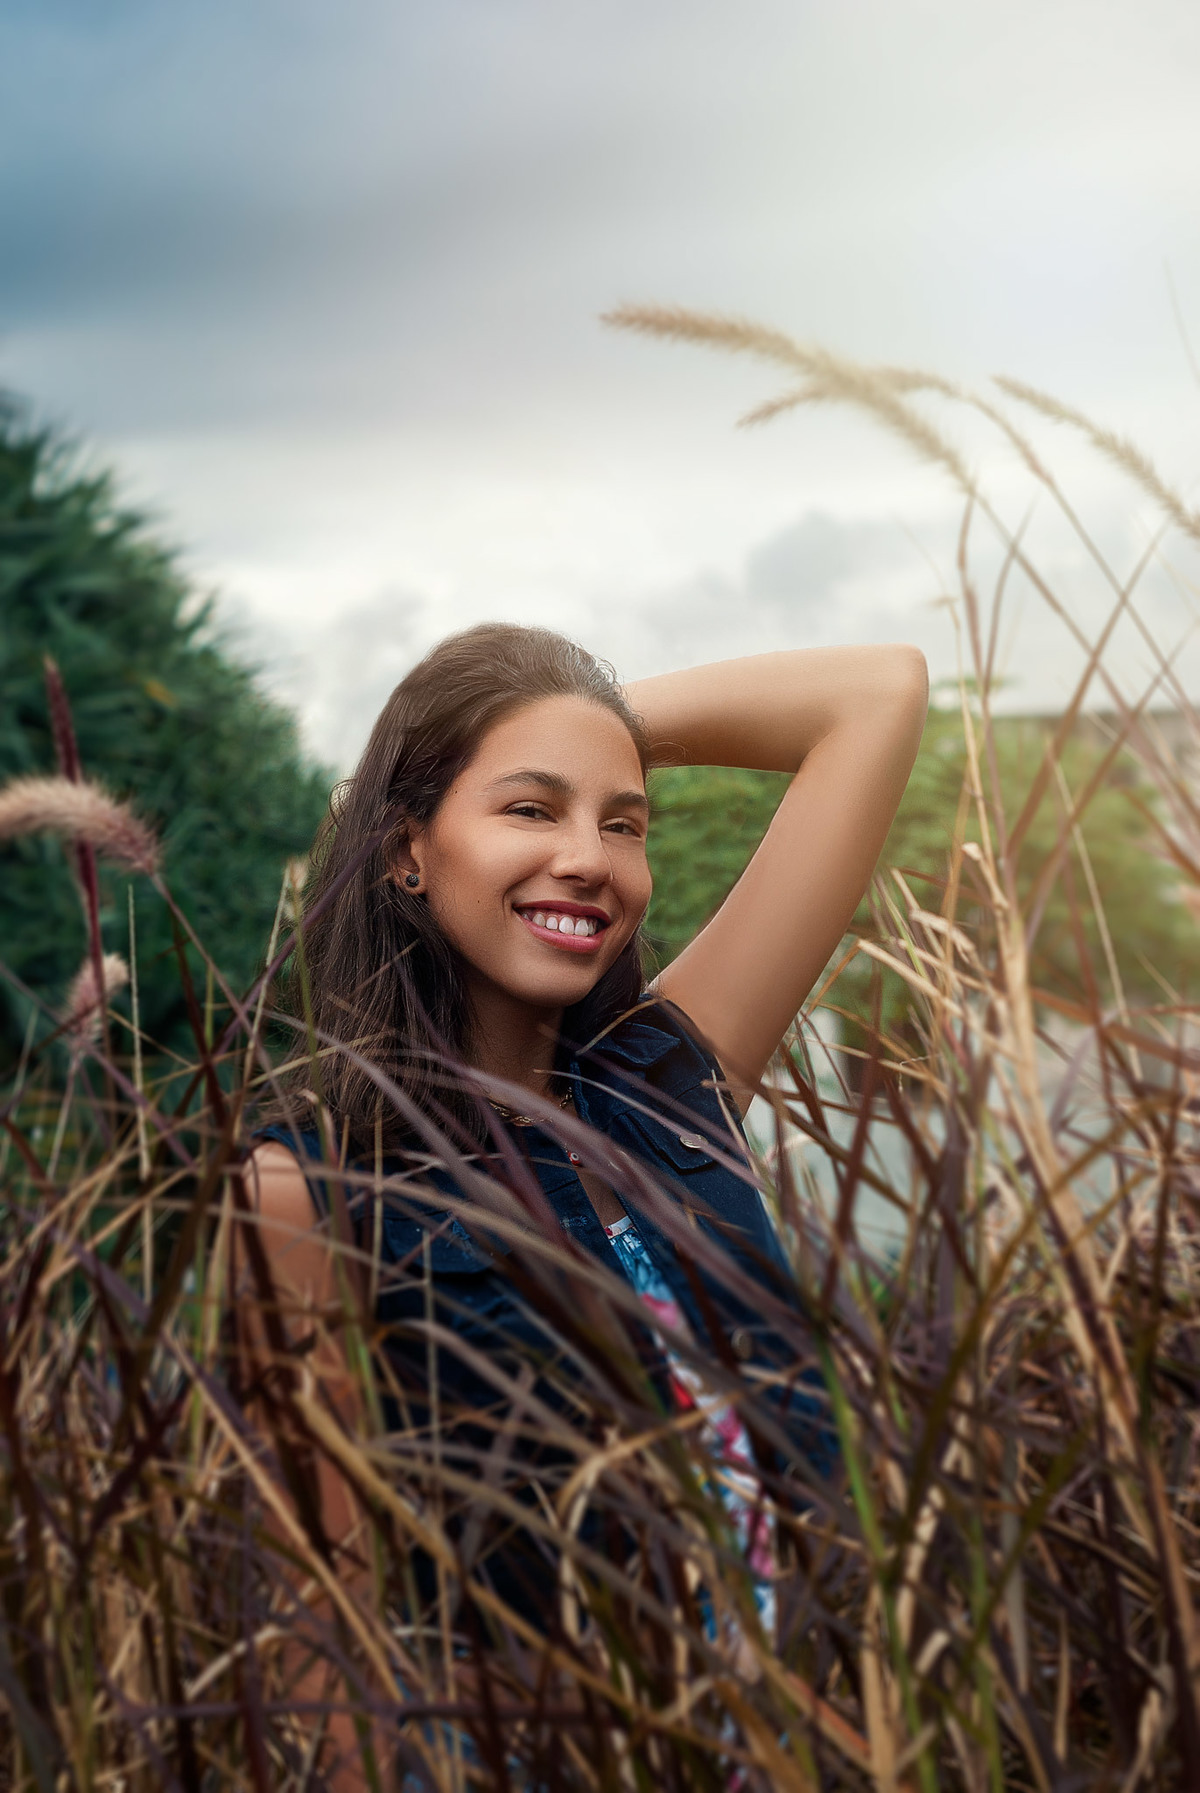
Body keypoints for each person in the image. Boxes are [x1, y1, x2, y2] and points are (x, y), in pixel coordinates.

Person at [243, 623, 928, 1787]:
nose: (590, 858)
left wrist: (578, 721)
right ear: (407, 849)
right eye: (529, 810)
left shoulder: (670, 1080)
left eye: (623, 822)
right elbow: (328, 1626)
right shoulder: (307, 1184)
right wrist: (458, 745)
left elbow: (876, 691)